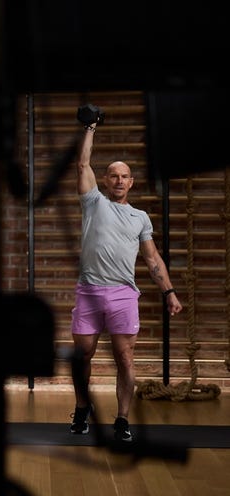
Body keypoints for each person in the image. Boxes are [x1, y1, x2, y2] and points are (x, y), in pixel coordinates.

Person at [70, 117, 182, 443]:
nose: (119, 181)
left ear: (131, 182)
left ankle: (122, 419)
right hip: (89, 292)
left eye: (124, 177)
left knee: (125, 359)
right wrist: (90, 127)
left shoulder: (140, 218)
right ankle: (81, 409)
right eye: (114, 176)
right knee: (84, 354)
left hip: (123, 294)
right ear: (105, 180)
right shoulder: (94, 203)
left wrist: (169, 292)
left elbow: (151, 259)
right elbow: (82, 163)